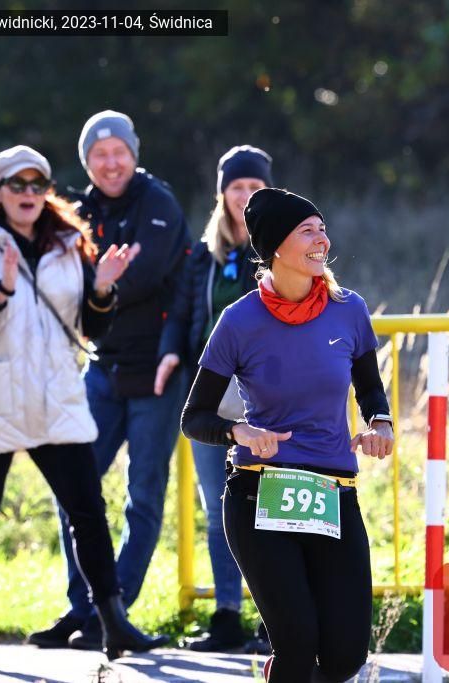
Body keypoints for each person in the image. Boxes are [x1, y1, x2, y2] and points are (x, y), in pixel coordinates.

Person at [0, 145, 167, 666]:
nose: (28, 193)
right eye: (17, 184)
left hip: (55, 398)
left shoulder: (70, 242)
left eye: (37, 184)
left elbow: (91, 327)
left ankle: (112, 621)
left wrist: (104, 288)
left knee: (88, 511)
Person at [181, 188, 395, 681]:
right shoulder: (238, 321)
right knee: (297, 644)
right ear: (276, 246)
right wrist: (238, 431)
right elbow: (194, 417)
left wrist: (380, 424)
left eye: (322, 229)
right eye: (307, 231)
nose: (322, 240)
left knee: (345, 656)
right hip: (260, 493)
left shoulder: (349, 309)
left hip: (332, 493)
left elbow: (370, 390)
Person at [29, 111, 192, 651]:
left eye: (119, 151)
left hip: (157, 373)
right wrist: (95, 282)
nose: (111, 162)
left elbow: (140, 277)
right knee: (72, 486)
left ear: (134, 153)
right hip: (101, 368)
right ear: (86, 162)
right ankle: (85, 609)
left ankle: (113, 613)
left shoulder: (159, 203)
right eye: (99, 154)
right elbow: (57, 279)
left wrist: (95, 283)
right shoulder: (77, 212)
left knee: (142, 496)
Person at [157, 145, 273, 653]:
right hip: (210, 394)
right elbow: (183, 315)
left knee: (270, 509)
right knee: (220, 508)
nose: (244, 196)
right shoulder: (203, 255)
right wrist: (169, 353)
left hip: (266, 394)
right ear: (222, 194)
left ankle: (275, 621)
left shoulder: (281, 248)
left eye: (254, 187)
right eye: (236, 187)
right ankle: (227, 615)